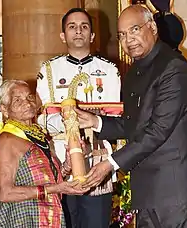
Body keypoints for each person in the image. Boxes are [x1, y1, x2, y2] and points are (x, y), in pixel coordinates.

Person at [75, 4, 187, 227]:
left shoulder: (174, 68)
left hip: (176, 190)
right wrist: (96, 121)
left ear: (153, 28)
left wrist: (110, 164)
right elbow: (134, 125)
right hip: (148, 190)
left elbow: (158, 130)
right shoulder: (134, 73)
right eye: (122, 35)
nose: (129, 40)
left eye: (134, 30)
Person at [36, 8, 121, 228]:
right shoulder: (49, 70)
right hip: (62, 164)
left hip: (97, 163)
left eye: (84, 27)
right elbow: (42, 119)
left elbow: (117, 119)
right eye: (72, 27)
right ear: (63, 35)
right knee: (65, 222)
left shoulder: (110, 71)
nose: (78, 31)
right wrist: (69, 123)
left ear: (92, 35)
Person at [0, 79, 89, 227]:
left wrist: (67, 166)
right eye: (17, 100)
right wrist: (56, 188)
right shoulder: (8, 140)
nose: (27, 103)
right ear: (5, 109)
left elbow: (50, 180)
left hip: (48, 216)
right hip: (22, 218)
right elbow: (5, 193)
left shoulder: (40, 135)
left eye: (29, 97)